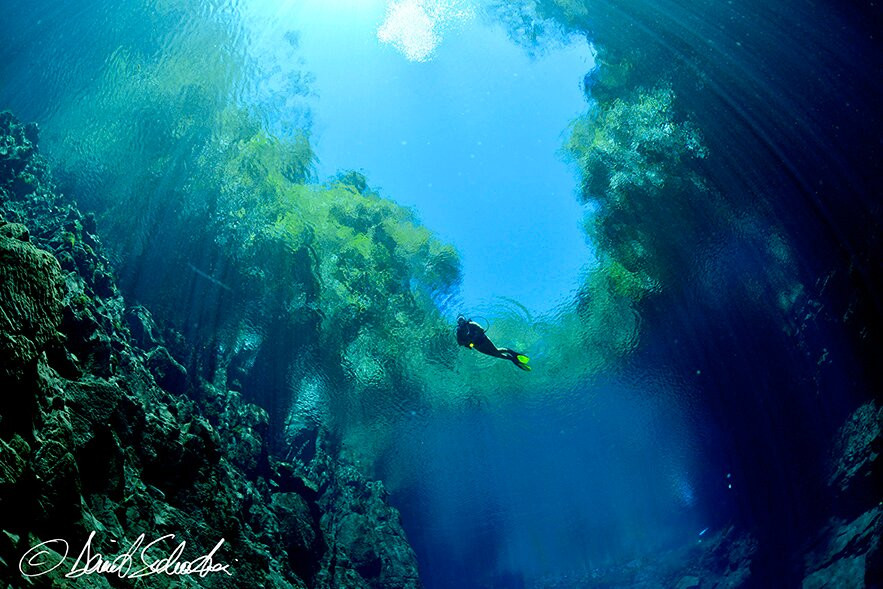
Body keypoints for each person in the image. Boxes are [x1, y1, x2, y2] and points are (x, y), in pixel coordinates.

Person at [456, 316, 531, 371]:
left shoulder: (471, 324)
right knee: (496, 355)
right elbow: (460, 343)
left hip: (484, 340)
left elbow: (481, 329)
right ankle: (512, 359)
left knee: (496, 351)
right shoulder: (459, 332)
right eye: (459, 320)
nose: (461, 321)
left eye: (462, 319)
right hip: (477, 346)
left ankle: (512, 353)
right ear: (458, 323)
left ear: (465, 319)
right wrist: (467, 343)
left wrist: (474, 337)